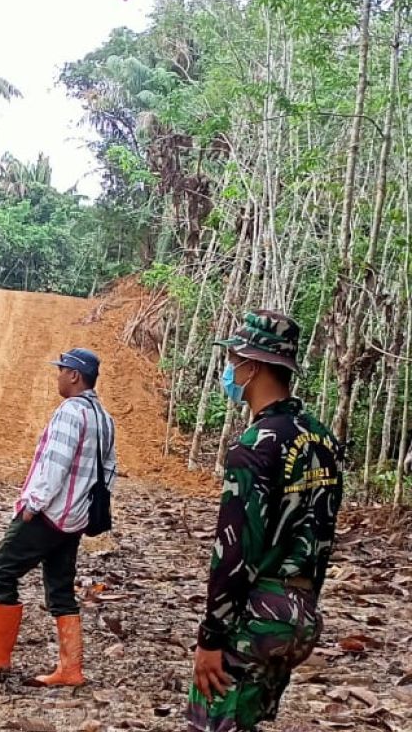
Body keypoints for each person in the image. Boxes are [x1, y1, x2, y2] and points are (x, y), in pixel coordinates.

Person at [188, 311, 343, 732]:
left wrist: (211, 637)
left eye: (233, 360)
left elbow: (234, 551)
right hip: (301, 615)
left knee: (212, 724)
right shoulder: (321, 439)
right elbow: (322, 536)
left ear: (251, 365)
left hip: (257, 615)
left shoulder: (254, 446)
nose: (229, 370)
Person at [0, 348, 115, 686]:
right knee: (60, 588)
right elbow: (109, 470)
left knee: (1, 571)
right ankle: (71, 670)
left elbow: (54, 466)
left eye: (61, 370)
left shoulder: (71, 412)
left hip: (49, 513)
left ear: (74, 375)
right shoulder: (103, 417)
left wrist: (32, 505)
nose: (57, 376)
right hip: (76, 517)